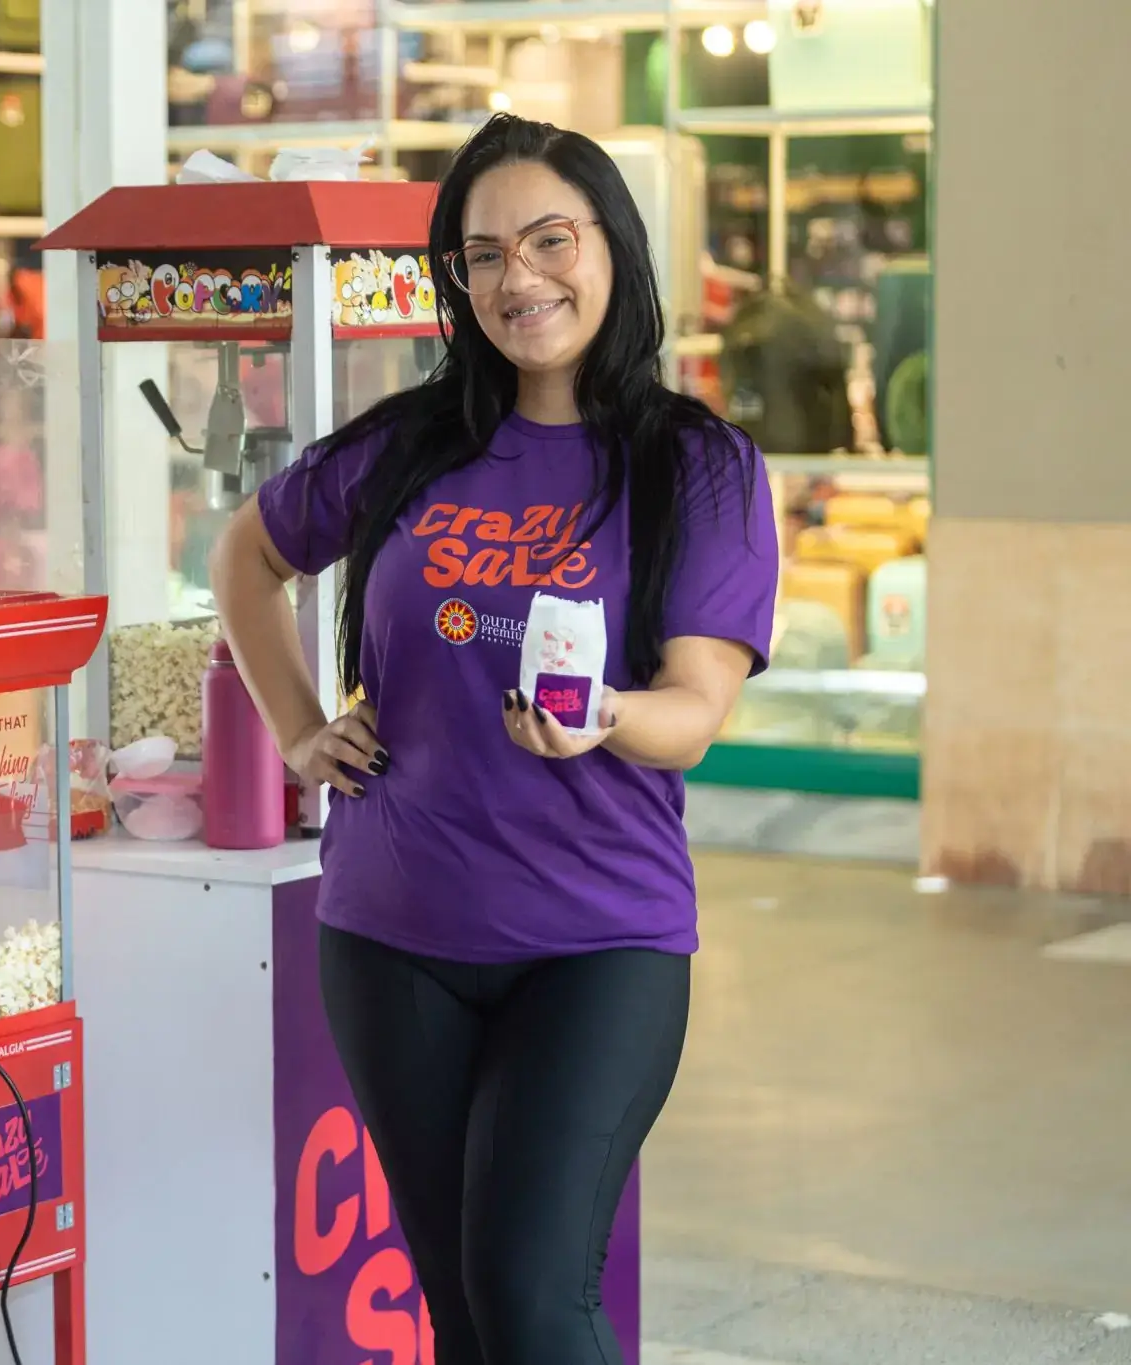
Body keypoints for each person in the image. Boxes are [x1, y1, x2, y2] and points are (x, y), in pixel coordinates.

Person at [210, 114, 780, 1363]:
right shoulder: (408, 446)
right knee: (466, 1316)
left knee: (532, 1297)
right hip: (390, 937)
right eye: (482, 256)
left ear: (609, 251)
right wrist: (298, 729)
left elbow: (691, 713)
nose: (518, 279)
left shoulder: (697, 467)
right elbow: (244, 555)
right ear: (454, 284)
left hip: (598, 943)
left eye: (547, 241)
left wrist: (605, 719)